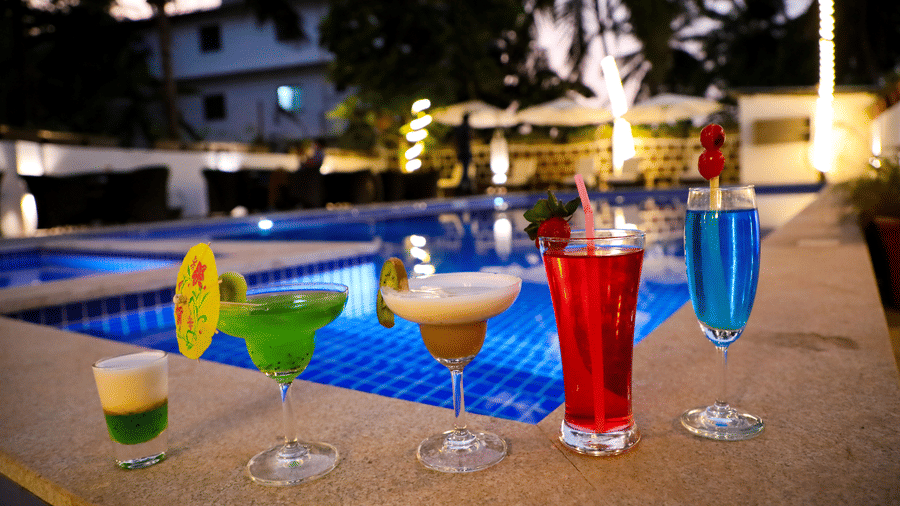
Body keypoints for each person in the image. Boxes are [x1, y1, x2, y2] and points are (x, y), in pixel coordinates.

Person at [454, 114, 474, 195]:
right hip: (465, 152)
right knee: (464, 170)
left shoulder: (460, 128)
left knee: (464, 170)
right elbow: (467, 139)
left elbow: (457, 141)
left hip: (462, 152)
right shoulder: (466, 128)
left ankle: (463, 186)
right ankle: (464, 187)